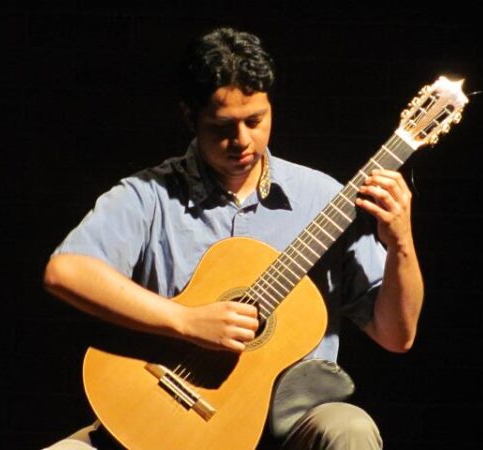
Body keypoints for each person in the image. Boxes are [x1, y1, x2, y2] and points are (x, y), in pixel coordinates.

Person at [43, 27, 423, 450]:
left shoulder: (324, 200)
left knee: (348, 428)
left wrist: (400, 244)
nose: (242, 141)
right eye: (222, 126)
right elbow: (67, 271)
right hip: (164, 408)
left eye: (255, 121)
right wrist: (187, 321)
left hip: (289, 423)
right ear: (190, 117)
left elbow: (396, 335)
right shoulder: (149, 196)